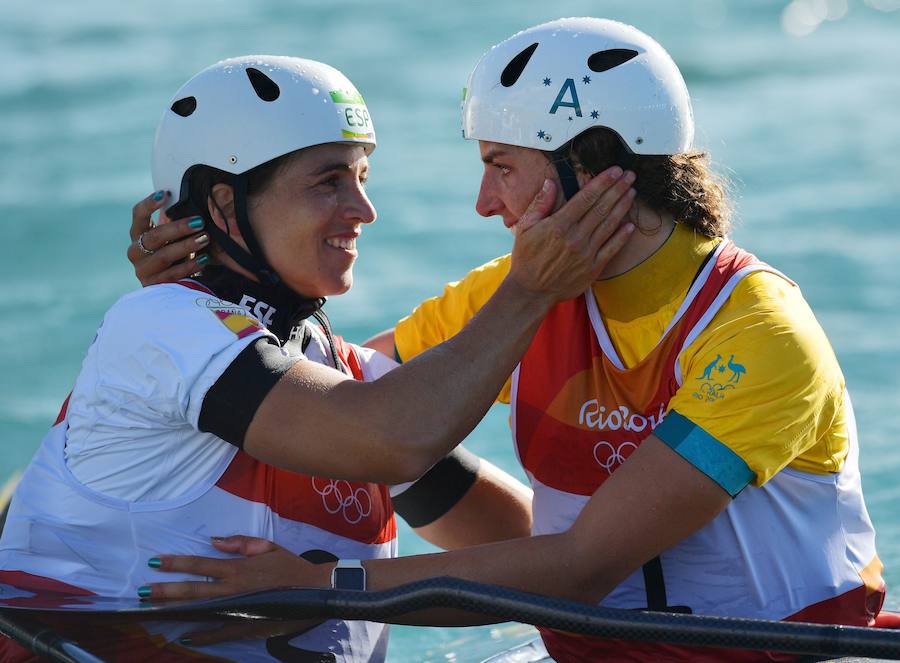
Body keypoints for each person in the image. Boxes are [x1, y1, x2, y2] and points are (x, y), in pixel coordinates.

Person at [138, 19, 888, 663]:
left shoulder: (757, 333)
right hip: (595, 648)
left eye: (501, 167)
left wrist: (323, 588)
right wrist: (200, 286)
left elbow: (585, 567)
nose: (483, 202)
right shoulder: (518, 289)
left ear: (593, 168)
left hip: (781, 653)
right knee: (370, 433)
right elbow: (334, 406)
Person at [0, 54, 636, 662]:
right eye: (329, 182)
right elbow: (396, 438)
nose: (364, 211)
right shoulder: (157, 324)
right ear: (223, 205)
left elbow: (530, 549)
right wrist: (530, 290)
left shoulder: (353, 383)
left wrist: (334, 586)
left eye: (362, 179)